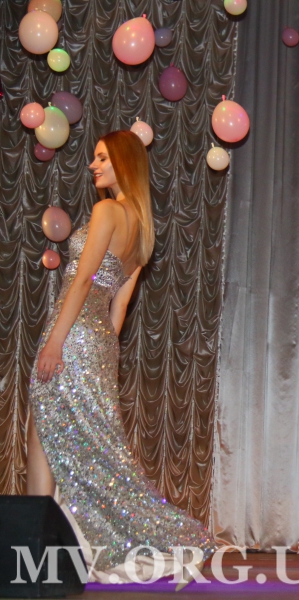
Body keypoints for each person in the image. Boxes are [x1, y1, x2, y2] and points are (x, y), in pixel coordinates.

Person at [27, 130, 215, 583]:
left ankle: (34, 551)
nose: (93, 166)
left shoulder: (107, 211)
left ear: (124, 163)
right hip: (98, 342)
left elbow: (83, 280)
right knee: (82, 444)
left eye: (102, 158)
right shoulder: (143, 229)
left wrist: (55, 342)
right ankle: (48, 549)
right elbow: (120, 306)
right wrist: (101, 356)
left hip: (70, 334)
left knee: (44, 436)